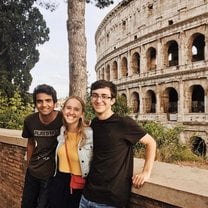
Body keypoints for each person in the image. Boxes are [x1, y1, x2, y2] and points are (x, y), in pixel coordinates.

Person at [79, 80, 157, 208]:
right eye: (95, 95)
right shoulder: (94, 124)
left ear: (112, 100)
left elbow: (151, 143)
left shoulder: (124, 123)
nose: (99, 100)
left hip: (111, 200)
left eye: (104, 96)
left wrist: (146, 172)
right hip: (87, 196)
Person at [21, 84, 63, 208]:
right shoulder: (30, 120)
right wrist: (28, 165)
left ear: (54, 102)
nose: (44, 105)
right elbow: (30, 142)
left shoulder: (63, 119)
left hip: (52, 175)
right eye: (39, 101)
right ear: (35, 103)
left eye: (48, 100)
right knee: (27, 204)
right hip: (33, 173)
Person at [49, 96, 93, 208]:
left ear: (82, 114)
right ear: (63, 110)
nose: (71, 112)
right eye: (68, 108)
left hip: (79, 185)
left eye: (76, 109)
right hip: (59, 182)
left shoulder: (89, 134)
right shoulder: (62, 131)